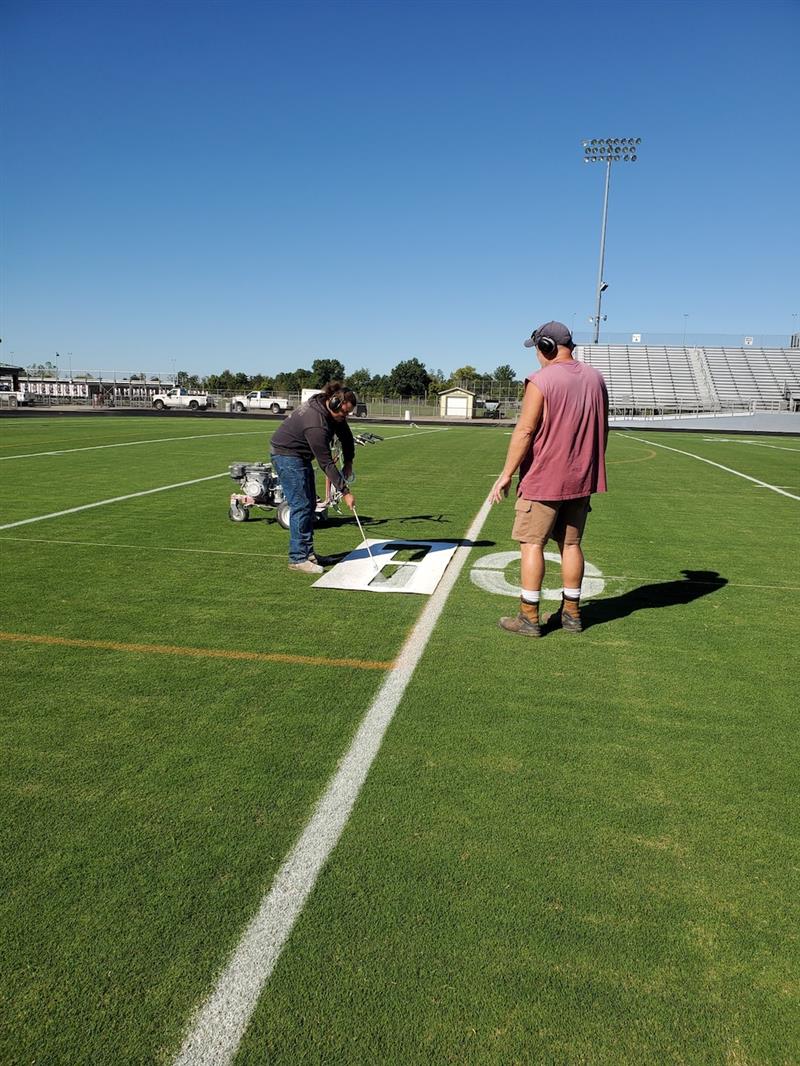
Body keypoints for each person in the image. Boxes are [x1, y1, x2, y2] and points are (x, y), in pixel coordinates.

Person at [489, 321, 608, 636]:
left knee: (531, 544)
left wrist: (506, 475)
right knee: (571, 544)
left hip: (544, 478)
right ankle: (572, 614)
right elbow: (603, 431)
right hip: (582, 478)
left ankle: (529, 616)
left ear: (546, 347)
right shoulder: (597, 379)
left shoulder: (540, 380)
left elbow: (525, 430)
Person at [270, 382, 357, 574]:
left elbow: (346, 436)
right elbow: (326, 463)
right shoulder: (315, 423)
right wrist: (345, 491)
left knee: (309, 504)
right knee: (301, 505)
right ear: (333, 403)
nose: (345, 417)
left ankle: (308, 554)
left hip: (299, 456)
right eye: (344, 413)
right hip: (287, 455)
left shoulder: (333, 413)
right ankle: (298, 558)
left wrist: (349, 462)